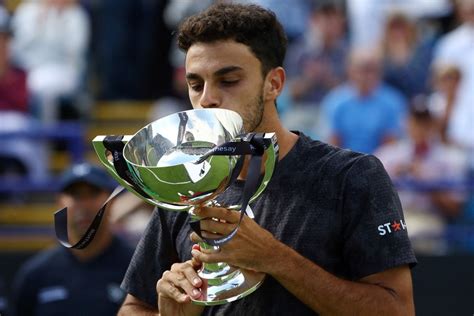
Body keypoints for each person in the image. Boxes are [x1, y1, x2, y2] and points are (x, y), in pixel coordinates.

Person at [119, 3, 416, 315]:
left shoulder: (351, 176)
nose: (207, 98)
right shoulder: (185, 185)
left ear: (274, 84)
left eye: (228, 80)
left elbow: (398, 309)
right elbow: (133, 307)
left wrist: (275, 258)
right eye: (196, 84)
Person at [11, 163, 134, 316]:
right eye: (76, 195)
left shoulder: (137, 269)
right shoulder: (36, 274)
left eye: (93, 194)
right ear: (60, 203)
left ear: (112, 202)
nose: (84, 205)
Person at [375, 99, 469, 254]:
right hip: (396, 219)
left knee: (416, 235)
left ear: (433, 125)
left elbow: (455, 208)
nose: (420, 128)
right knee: (383, 233)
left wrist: (426, 181)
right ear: (407, 123)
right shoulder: (389, 154)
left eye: (425, 123)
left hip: (429, 218)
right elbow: (370, 192)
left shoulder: (449, 158)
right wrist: (392, 178)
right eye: (415, 122)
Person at [321, 46, 407, 153]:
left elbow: (391, 145)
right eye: (362, 69)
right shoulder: (335, 101)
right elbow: (333, 144)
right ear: (350, 70)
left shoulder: (393, 102)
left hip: (381, 164)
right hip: (344, 164)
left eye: (371, 69)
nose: (366, 75)